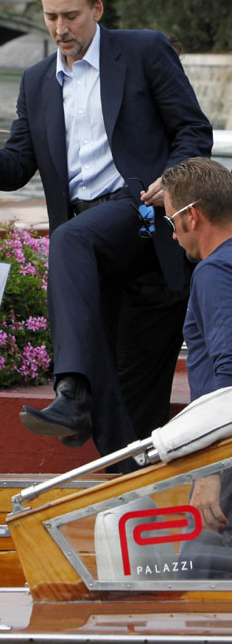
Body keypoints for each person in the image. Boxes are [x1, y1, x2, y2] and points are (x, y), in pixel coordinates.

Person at [0, 0, 212, 472]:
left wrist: (173, 178)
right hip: (94, 260)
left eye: (71, 16)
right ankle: (116, 473)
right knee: (122, 410)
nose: (60, 29)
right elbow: (18, 166)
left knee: (67, 241)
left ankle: (69, 390)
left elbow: (192, 132)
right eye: (50, 17)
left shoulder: (145, 50)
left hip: (141, 217)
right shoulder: (37, 80)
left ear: (97, 9)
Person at [161, 157, 232, 534]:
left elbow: (230, 372)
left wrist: (210, 469)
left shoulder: (215, 271)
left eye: (172, 221)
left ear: (193, 216)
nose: (173, 234)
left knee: (198, 582)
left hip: (225, 458)